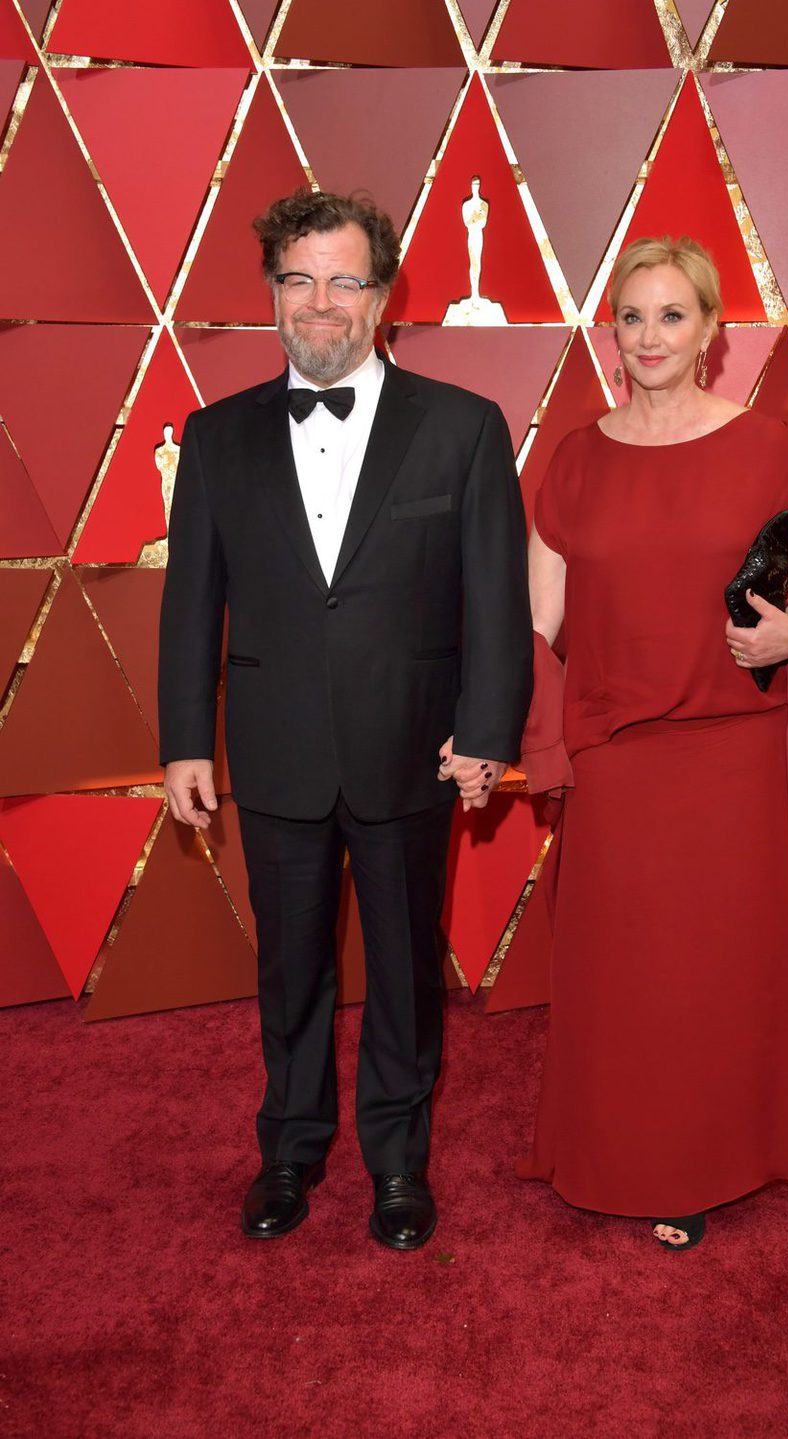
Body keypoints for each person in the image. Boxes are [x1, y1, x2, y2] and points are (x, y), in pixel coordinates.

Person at [158, 189, 532, 1250]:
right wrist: (186, 738)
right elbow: (193, 599)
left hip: (413, 744)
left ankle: (400, 1161)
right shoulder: (216, 435)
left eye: (344, 280)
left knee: (408, 972)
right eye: (298, 280)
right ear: (273, 292)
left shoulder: (462, 427)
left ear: (384, 295)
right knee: (290, 967)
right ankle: (290, 1147)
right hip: (273, 751)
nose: (319, 303)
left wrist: (490, 728)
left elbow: (493, 597)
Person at [517, 236, 788, 1249]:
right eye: (632, 316)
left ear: (710, 332)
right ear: (611, 331)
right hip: (618, 751)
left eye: (672, 315)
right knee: (627, 976)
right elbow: (536, 621)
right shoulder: (574, 458)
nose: (649, 336)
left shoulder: (765, 446)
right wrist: (534, 741)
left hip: (731, 753)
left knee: (713, 974)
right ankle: (624, 1151)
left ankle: (709, 1157)